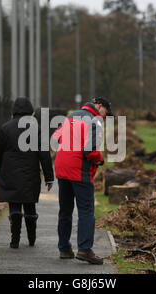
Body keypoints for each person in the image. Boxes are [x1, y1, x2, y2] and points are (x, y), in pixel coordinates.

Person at [53, 98, 113, 265]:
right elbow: (90, 150)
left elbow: (55, 137)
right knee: (86, 210)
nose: (105, 118)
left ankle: (64, 248)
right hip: (79, 169)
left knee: (65, 210)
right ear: (100, 107)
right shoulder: (95, 121)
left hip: (61, 167)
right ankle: (85, 249)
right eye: (106, 114)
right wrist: (100, 160)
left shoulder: (70, 117)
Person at [0, 97, 54, 249]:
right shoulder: (37, 128)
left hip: (9, 172)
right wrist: (49, 177)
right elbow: (44, 154)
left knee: (14, 202)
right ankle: (32, 238)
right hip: (30, 172)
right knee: (29, 203)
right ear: (30, 111)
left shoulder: (5, 128)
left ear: (14, 110)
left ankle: (15, 240)